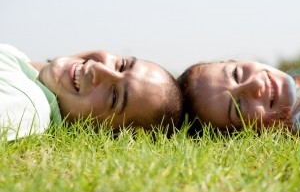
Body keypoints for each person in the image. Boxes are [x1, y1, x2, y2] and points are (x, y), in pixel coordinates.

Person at [0, 44, 182, 141]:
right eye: (122, 65)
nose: (99, 69)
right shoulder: (21, 65)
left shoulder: (27, 106)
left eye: (114, 97)